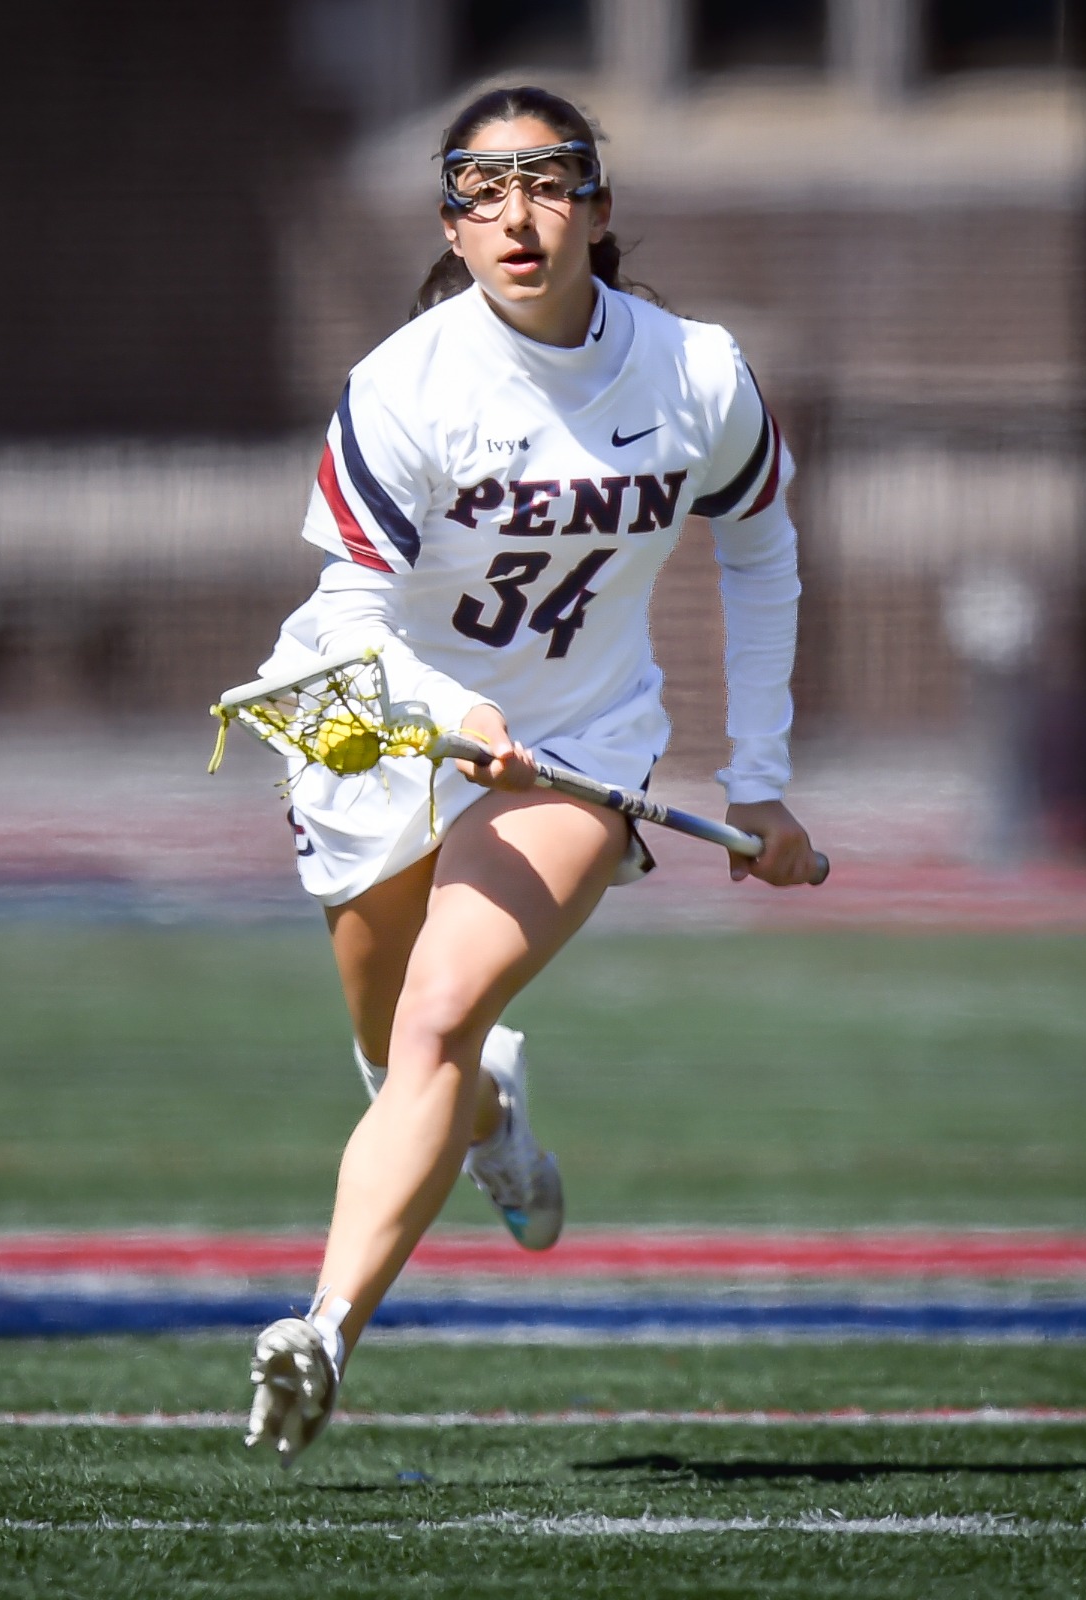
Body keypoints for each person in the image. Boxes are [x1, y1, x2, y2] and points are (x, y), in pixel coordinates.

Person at [242, 86, 822, 1462]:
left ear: (599, 209)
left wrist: (761, 781)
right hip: (380, 729)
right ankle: (497, 1123)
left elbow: (761, 543)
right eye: (484, 190)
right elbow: (353, 620)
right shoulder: (405, 386)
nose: (518, 215)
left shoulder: (694, 374)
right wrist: (452, 710)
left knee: (439, 1016)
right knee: (403, 1057)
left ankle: (320, 1332)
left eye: (550, 183)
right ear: (452, 217)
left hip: (578, 750)